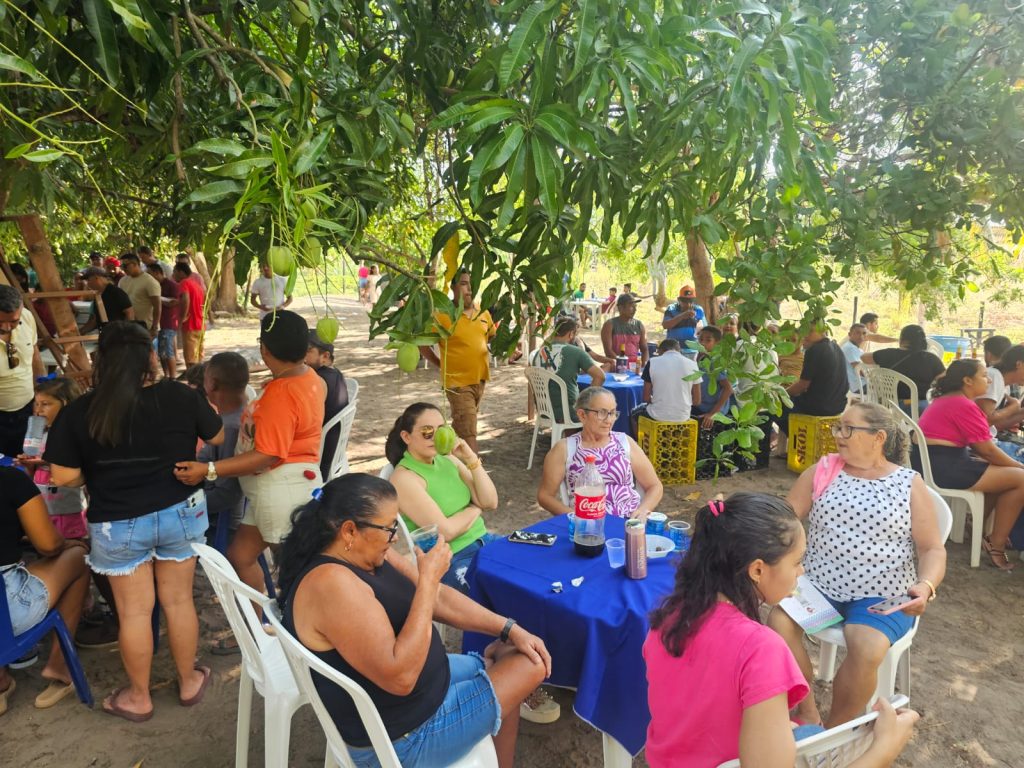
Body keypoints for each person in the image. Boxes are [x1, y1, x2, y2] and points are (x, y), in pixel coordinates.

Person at [277, 473, 551, 767]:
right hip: (404, 738)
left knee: (514, 649)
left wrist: (508, 628)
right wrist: (428, 582)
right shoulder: (333, 585)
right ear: (349, 530)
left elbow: (440, 599)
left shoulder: (367, 554)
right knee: (530, 663)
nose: (395, 537)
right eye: (388, 528)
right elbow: (401, 678)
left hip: (426, 690)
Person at [645, 492, 919, 768]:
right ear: (757, 570)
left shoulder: (668, 619)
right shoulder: (760, 649)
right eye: (797, 562)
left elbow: (700, 709)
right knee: (818, 737)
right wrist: (884, 749)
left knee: (803, 730)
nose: (801, 572)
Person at [44, 321, 224, 721]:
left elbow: (63, 475)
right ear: (150, 357)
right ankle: (188, 681)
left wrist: (95, 473)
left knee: (135, 614)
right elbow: (215, 437)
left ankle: (139, 697)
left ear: (101, 360)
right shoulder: (180, 395)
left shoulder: (80, 412)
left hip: (118, 523)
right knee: (179, 601)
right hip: (181, 512)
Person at [772, 402, 946, 726]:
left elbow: (932, 548)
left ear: (879, 437)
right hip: (819, 583)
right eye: (838, 427)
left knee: (866, 646)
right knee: (778, 623)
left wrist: (925, 586)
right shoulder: (823, 470)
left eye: (849, 429)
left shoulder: (908, 483)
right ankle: (807, 710)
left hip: (883, 592)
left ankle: (835, 730)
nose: (839, 435)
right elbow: (785, 517)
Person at [174, 310, 325, 600]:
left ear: (264, 349)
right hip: (280, 487)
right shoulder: (311, 377)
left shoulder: (281, 394)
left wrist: (209, 470)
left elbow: (268, 455)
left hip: (280, 490)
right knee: (240, 555)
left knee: (294, 569)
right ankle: (260, 618)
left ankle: (297, 619)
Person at [912, 359, 1024, 570]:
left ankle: (980, 527)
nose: (989, 380)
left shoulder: (951, 399)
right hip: (943, 466)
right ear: (967, 381)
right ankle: (996, 544)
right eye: (984, 376)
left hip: (934, 461)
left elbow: (984, 449)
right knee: (1021, 479)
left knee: (1006, 472)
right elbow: (987, 450)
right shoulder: (962, 404)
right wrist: (1019, 467)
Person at [385, 403, 503, 595]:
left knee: (534, 571)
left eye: (441, 430)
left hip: (485, 541)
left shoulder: (448, 459)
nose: (435, 437)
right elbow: (446, 532)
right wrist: (475, 508)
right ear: (406, 437)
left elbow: (490, 501)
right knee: (508, 592)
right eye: (427, 432)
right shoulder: (404, 478)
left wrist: (470, 458)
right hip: (452, 559)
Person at [0, 466, 91, 714]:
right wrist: (65, 543)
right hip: (9, 614)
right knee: (78, 557)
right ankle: (59, 666)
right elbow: (48, 545)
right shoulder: (10, 479)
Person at [538, 387, 663, 520]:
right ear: (582, 415)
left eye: (612, 413)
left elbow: (654, 486)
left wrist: (642, 510)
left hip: (628, 520)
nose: (609, 420)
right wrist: (574, 517)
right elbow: (545, 496)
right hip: (587, 522)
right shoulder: (565, 448)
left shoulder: (624, 442)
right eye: (602, 413)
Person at [418, 271, 496, 454]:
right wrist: (439, 363)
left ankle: (449, 461)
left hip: (480, 380)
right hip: (457, 384)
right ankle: (476, 469)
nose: (469, 288)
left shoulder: (483, 312)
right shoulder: (442, 315)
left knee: (462, 427)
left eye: (471, 283)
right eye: (463, 283)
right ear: (453, 287)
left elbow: (492, 335)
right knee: (469, 431)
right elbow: (422, 343)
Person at [16, 378, 87, 539]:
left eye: (46, 404)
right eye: (36, 404)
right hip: (43, 505)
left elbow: (78, 464)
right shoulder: (40, 434)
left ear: (66, 404)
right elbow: (33, 474)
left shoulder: (73, 434)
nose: (38, 410)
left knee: (70, 543)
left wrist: (46, 460)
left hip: (67, 506)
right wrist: (28, 464)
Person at [200, 353, 250, 547]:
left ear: (212, 384)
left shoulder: (230, 429)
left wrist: (182, 505)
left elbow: (226, 494)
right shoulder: (244, 411)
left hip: (219, 524)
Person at [777, 324, 849, 447]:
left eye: (810, 331)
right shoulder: (836, 347)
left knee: (775, 406)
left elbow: (802, 385)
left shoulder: (815, 349)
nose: (805, 335)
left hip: (818, 407)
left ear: (823, 330)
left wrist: (782, 394)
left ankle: (803, 441)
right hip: (838, 406)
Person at [529, 316, 605, 423]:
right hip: (569, 412)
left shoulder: (538, 353)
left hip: (544, 411)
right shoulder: (576, 352)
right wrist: (587, 403)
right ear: (571, 334)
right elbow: (600, 376)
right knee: (602, 409)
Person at [0, 285, 45, 458]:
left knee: (27, 458)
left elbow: (34, 355)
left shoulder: (26, 317)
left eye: (13, 321)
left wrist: (42, 396)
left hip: (28, 409)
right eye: (0, 321)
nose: (6, 327)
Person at [861, 324, 945, 406]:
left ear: (902, 339)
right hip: (919, 406)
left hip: (890, 404)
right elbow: (944, 381)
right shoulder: (932, 359)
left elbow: (863, 357)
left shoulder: (888, 354)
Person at [631, 339, 701, 434]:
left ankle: (639, 443)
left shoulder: (652, 362)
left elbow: (646, 398)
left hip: (657, 415)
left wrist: (657, 401)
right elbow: (697, 401)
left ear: (660, 351)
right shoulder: (693, 364)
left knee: (634, 414)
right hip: (683, 416)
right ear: (679, 350)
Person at [306, 330, 349, 480]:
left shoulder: (317, 381)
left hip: (320, 458)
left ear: (325, 356)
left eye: (307, 351)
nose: (301, 357)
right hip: (334, 450)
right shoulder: (335, 373)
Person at [692, 326, 735, 429]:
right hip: (701, 406)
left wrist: (712, 414)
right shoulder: (700, 357)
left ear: (717, 343)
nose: (702, 343)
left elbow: (728, 389)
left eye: (708, 340)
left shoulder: (715, 361)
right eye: (700, 339)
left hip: (713, 411)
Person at [147, 263, 182, 380]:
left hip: (168, 322)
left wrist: (158, 299)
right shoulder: (152, 285)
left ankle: (172, 376)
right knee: (161, 352)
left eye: (150, 274)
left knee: (168, 350)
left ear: (157, 273)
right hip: (157, 322)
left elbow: (175, 302)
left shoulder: (171, 285)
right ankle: (166, 375)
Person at [117, 253, 161, 339]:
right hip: (129, 326)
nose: (123, 269)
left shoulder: (150, 281)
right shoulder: (122, 281)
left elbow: (157, 306)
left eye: (125, 266)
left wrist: (154, 327)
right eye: (121, 266)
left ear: (135, 264)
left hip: (146, 327)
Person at [600, 293, 648, 368]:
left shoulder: (639, 325)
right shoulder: (609, 325)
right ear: (621, 308)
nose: (635, 309)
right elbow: (608, 352)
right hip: (616, 366)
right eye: (631, 306)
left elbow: (644, 349)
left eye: (635, 306)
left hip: (634, 367)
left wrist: (644, 366)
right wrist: (623, 364)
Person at [173, 263, 206, 368]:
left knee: (190, 358)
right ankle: (199, 376)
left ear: (180, 272)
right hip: (200, 324)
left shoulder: (184, 283)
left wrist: (182, 318)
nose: (173, 275)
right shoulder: (196, 285)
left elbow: (186, 299)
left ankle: (192, 377)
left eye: (174, 272)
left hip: (190, 324)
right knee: (198, 356)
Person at [81, 266, 133, 331]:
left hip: (118, 333)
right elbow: (94, 320)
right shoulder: (98, 295)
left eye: (88, 280)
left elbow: (129, 313)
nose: (87, 284)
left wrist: (126, 332)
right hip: (106, 333)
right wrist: (80, 332)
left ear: (96, 277)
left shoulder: (115, 292)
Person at [661, 285, 705, 350]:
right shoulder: (672, 309)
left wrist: (696, 322)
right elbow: (665, 325)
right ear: (679, 300)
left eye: (691, 301)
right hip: (673, 349)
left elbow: (703, 328)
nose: (688, 304)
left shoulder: (698, 309)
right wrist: (683, 316)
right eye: (685, 301)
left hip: (692, 350)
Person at [841, 323, 868, 395]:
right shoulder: (850, 348)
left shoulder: (856, 348)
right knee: (889, 389)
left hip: (860, 385)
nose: (861, 336)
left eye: (864, 333)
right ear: (850, 334)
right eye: (858, 333)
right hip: (859, 386)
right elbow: (860, 371)